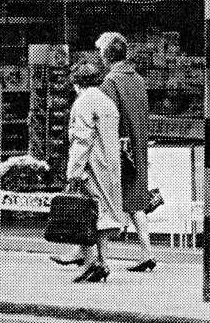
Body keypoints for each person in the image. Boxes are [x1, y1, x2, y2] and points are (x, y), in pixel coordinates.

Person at [94, 31, 156, 272]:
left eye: (101, 52)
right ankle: (147, 252)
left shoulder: (110, 82)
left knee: (107, 202)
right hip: (137, 148)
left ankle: (101, 260)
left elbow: (108, 118)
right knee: (135, 202)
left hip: (118, 150)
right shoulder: (138, 79)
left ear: (106, 55)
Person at [60, 63, 124, 283]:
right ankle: (103, 262)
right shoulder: (108, 103)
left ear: (78, 83)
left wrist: (73, 172)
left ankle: (90, 264)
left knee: (85, 214)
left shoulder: (83, 102)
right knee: (104, 215)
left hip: (92, 166)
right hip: (110, 166)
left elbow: (81, 139)